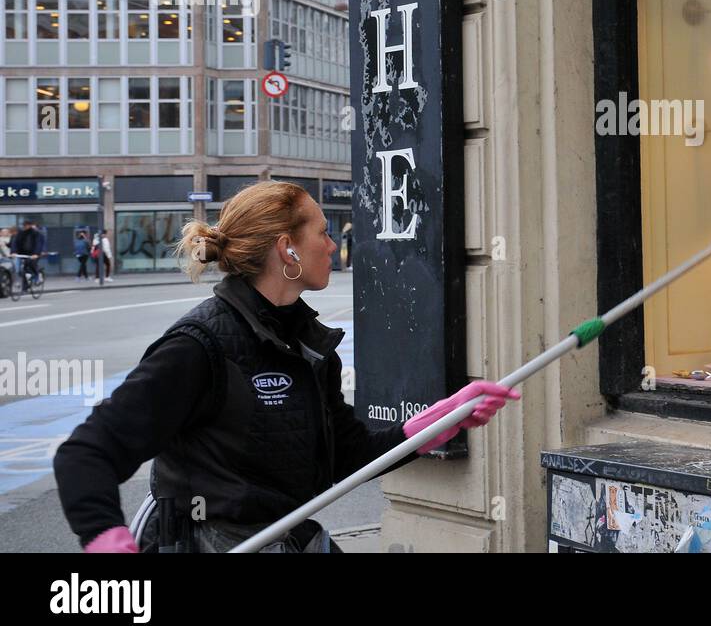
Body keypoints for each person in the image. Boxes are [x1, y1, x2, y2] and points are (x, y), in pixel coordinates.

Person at [53, 180, 518, 553]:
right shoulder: (199, 346)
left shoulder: (307, 343)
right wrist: (107, 542)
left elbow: (344, 456)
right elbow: (86, 454)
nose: (334, 246)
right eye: (322, 232)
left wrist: (433, 426)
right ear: (287, 249)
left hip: (290, 538)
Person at [12, 219, 45, 290]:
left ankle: (37, 276)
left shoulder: (36, 233)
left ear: (30, 225)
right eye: (24, 225)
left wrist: (36, 253)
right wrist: (13, 252)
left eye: (26, 225)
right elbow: (15, 242)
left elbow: (38, 244)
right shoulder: (20, 233)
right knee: (23, 268)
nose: (25, 227)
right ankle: (25, 286)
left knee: (31, 264)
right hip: (23, 253)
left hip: (33, 253)